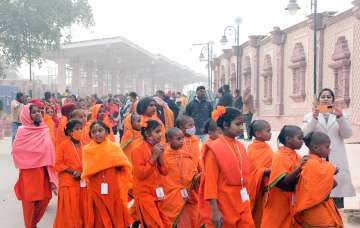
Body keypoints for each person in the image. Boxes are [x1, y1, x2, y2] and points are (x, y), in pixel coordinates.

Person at [199, 106, 255, 228]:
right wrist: (214, 210)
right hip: (224, 203)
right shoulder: (214, 148)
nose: (241, 128)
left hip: (242, 201)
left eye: (242, 124)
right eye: (238, 124)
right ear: (225, 125)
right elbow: (210, 182)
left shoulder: (240, 145)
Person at [303, 88, 354, 209]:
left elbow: (347, 134)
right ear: (319, 100)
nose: (326, 99)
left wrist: (340, 118)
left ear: (333, 100)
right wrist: (314, 119)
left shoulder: (341, 115)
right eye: (323, 97)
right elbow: (304, 134)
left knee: (337, 196)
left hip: (336, 157)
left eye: (329, 97)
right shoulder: (309, 116)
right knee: (319, 196)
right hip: (317, 159)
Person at [12, 103, 58, 228]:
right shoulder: (22, 131)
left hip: (43, 172)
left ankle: (32, 223)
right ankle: (30, 225)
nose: (37, 113)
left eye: (39, 111)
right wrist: (33, 155)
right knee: (29, 204)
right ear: (27, 115)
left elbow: (49, 151)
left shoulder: (44, 129)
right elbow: (16, 151)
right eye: (33, 112)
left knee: (45, 199)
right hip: (28, 173)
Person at [82, 121, 132, 227]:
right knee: (100, 212)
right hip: (96, 185)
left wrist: (118, 165)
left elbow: (125, 165)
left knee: (115, 208)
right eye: (94, 132)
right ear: (90, 134)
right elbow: (87, 171)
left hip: (113, 184)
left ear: (106, 132)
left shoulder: (114, 147)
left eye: (100, 130)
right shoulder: (87, 150)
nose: (97, 134)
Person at [294, 132, 343, 227]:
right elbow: (321, 188)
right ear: (315, 147)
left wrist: (328, 174)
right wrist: (330, 172)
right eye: (327, 147)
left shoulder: (317, 163)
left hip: (316, 208)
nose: (329, 149)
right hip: (315, 210)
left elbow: (328, 185)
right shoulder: (312, 164)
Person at [261, 125, 305, 228]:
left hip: (292, 202)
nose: (302, 141)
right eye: (299, 138)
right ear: (288, 139)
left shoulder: (297, 156)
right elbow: (282, 184)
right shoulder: (280, 156)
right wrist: (299, 168)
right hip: (279, 203)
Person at [131, 119, 170, 227]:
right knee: (154, 224)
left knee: (165, 223)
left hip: (158, 193)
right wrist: (153, 157)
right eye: (157, 132)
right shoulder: (137, 149)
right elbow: (141, 174)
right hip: (144, 195)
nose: (160, 134)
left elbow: (165, 171)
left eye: (160, 131)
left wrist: (160, 157)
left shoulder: (159, 147)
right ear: (147, 133)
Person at [159, 128, 199, 227]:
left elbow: (192, 172)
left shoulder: (185, 155)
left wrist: (198, 177)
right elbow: (163, 177)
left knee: (192, 219)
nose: (182, 141)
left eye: (182, 138)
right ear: (168, 140)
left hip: (188, 195)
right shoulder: (163, 156)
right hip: (171, 197)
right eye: (178, 138)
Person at [54, 119, 86, 228]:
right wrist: (73, 171)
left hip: (82, 180)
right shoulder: (63, 145)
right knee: (69, 210)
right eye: (76, 129)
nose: (80, 131)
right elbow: (58, 164)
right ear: (69, 132)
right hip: (68, 181)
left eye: (81, 128)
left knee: (81, 209)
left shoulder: (85, 145)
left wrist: (82, 172)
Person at [247, 120, 273, 228]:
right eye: (268, 131)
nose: (271, 133)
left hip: (269, 188)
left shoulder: (266, 146)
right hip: (259, 189)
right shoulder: (252, 149)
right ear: (258, 134)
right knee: (259, 217)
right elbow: (253, 171)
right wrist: (267, 170)